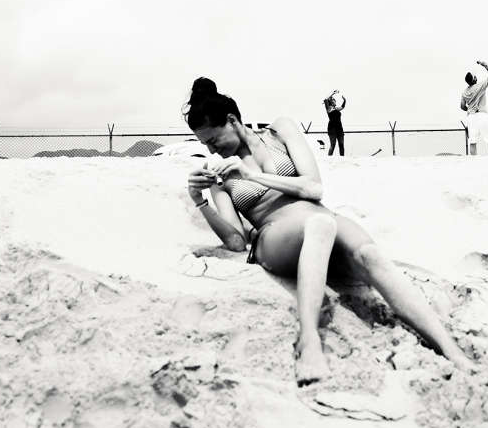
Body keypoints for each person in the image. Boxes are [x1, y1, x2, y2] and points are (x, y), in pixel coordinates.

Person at [182, 78, 473, 385]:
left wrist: (254, 176)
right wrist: (200, 200)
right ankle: (308, 339)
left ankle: (450, 348)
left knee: (369, 254)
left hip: (321, 216)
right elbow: (236, 241)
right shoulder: (221, 174)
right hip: (274, 235)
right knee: (320, 226)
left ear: (232, 121)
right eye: (205, 145)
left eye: (214, 140)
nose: (212, 150)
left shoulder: (280, 131)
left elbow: (313, 187)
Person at [460, 60, 488, 156]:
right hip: (482, 115)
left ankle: (474, 160)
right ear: (474, 79)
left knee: (473, 141)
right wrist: (485, 65)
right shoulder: (480, 86)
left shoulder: (464, 92)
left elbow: (462, 106)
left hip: (471, 117)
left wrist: (470, 109)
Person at [323, 89, 347, 157]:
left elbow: (342, 107)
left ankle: (342, 158)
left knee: (341, 144)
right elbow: (325, 99)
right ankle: (329, 159)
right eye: (333, 100)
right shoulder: (329, 108)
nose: (335, 101)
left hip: (339, 128)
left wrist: (344, 100)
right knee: (333, 145)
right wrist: (333, 93)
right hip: (332, 129)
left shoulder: (336, 108)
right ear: (331, 102)